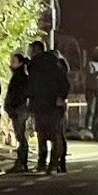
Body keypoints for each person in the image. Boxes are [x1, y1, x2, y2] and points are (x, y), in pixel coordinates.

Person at [27, 39, 71, 173]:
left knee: (43, 134)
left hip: (43, 103)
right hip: (53, 103)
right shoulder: (57, 62)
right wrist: (61, 98)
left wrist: (31, 104)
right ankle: (56, 163)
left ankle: (44, 163)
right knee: (56, 134)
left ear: (36, 50)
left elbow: (32, 86)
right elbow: (65, 82)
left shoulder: (35, 64)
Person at [5, 51, 33, 171]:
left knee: (21, 136)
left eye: (14, 62)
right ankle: (21, 162)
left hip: (19, 109)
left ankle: (21, 162)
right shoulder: (19, 76)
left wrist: (13, 107)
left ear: (20, 63)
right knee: (20, 136)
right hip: (17, 109)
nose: (11, 64)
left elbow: (19, 94)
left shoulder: (21, 77)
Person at [83, 46, 98, 139]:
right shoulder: (90, 64)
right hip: (91, 90)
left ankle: (95, 129)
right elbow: (91, 75)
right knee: (91, 110)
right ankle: (88, 128)